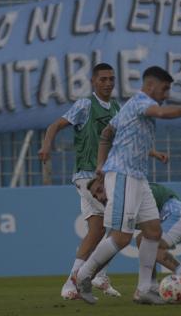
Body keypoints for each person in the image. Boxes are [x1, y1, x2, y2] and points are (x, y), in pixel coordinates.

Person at [75, 66, 181, 305]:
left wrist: (100, 164)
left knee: (153, 231)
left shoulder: (129, 106)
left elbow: (107, 132)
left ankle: (144, 289)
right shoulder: (141, 102)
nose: (166, 94)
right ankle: (83, 276)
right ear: (151, 86)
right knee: (121, 237)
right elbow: (162, 114)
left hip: (138, 177)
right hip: (122, 175)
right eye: (165, 89)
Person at [38, 63, 126, 300]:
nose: (108, 83)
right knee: (122, 222)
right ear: (93, 82)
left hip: (106, 176)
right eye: (103, 79)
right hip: (89, 176)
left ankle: (71, 283)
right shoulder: (86, 105)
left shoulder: (117, 107)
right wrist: (47, 145)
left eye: (111, 79)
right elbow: (55, 125)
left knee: (97, 231)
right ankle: (97, 274)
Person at [87, 178, 181, 299]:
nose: (99, 198)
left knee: (146, 242)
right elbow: (113, 242)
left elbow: (113, 243)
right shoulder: (124, 199)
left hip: (178, 217)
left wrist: (89, 273)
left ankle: (173, 282)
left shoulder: (129, 197)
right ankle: (161, 285)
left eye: (100, 191)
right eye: (95, 197)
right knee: (144, 241)